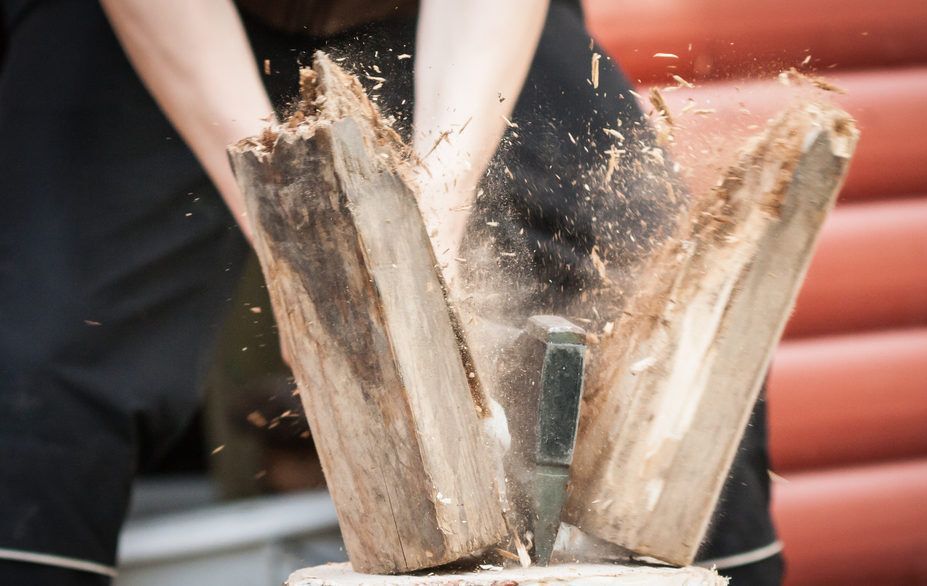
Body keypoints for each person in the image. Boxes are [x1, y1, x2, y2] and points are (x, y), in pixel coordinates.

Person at [0, 1, 782, 584]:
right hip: (162, 24)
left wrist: (438, 205)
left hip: (460, 22)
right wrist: (288, 223)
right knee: (36, 362)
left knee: (657, 302)